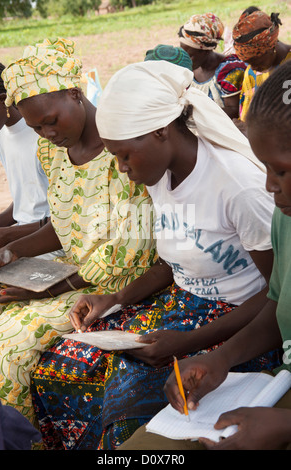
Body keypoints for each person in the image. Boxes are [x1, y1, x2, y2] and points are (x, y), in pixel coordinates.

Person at [31, 59, 281, 450]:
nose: (122, 168)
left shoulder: (240, 190)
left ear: (162, 131)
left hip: (236, 323)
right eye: (115, 156)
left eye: (125, 156)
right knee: (57, 370)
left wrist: (189, 342)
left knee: (125, 417)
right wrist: (113, 299)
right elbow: (173, 261)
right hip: (182, 306)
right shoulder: (160, 175)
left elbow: (276, 296)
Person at [120, 59, 291, 451]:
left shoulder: (243, 193)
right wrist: (220, 359)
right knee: (136, 451)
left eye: (280, 171)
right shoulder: (286, 217)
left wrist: (284, 426)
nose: (268, 185)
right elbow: (279, 306)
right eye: (264, 168)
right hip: (279, 380)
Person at [0, 38, 156, 424]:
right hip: (68, 268)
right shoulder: (51, 153)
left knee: (6, 349)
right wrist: (12, 254)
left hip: (111, 278)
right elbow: (64, 226)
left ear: (76, 93)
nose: (46, 133)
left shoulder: (124, 147)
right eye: (36, 127)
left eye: (51, 120)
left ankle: (17, 440)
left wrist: (48, 288)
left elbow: (131, 249)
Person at [0, 57, 52, 256]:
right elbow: (26, 201)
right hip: (20, 238)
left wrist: (5, 235)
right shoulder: (0, 133)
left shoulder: (45, 137)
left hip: (50, 247)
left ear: (2, 100)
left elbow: (66, 219)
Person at [232, 7, 291, 135]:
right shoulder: (252, 73)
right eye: (248, 63)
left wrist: (253, 131)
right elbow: (246, 116)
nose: (252, 67)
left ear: (271, 47)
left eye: (256, 62)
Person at [178, 12, 247, 118]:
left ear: (206, 51)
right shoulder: (190, 71)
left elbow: (234, 110)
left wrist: (195, 113)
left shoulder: (231, 70)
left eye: (190, 56)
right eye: (183, 53)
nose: (185, 60)